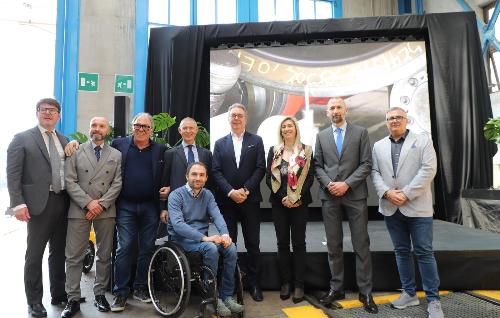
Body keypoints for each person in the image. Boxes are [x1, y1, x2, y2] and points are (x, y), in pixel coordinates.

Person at [371, 107, 443, 318]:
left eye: (398, 117)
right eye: (390, 118)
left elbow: (429, 169)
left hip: (417, 206)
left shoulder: (422, 140)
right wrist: (385, 192)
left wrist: (406, 194)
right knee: (401, 251)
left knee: (424, 252)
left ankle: (433, 300)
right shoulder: (378, 145)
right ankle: (409, 294)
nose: (394, 121)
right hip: (391, 207)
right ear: (386, 122)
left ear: (407, 120)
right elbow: (374, 172)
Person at [314, 97, 378, 314]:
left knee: (361, 244)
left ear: (345, 110)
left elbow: (366, 163)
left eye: (338, 107)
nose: (335, 110)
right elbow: (317, 165)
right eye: (331, 107)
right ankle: (336, 288)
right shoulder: (321, 136)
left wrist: (347, 184)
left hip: (355, 195)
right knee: (334, 245)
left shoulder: (360, 133)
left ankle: (366, 292)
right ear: (327, 112)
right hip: (329, 195)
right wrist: (330, 184)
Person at [7, 98, 69, 318]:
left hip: (63, 201)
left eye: (53, 111)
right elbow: (13, 174)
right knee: (34, 254)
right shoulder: (22, 139)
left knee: (59, 252)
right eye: (44, 110)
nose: (48, 113)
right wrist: (17, 203)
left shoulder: (64, 140)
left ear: (59, 115)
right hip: (37, 205)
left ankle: (59, 293)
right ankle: (34, 301)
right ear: (37, 113)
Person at [61, 117, 122, 317]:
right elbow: (70, 181)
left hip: (105, 209)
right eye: (93, 125)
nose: (97, 128)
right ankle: (73, 299)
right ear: (89, 128)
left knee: (104, 255)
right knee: (74, 256)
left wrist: (101, 204)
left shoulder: (116, 154)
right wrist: (89, 203)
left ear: (107, 130)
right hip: (80, 208)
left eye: (101, 126)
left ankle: (99, 295)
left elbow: (117, 183)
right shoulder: (75, 150)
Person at [168, 162, 243, 316]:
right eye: (194, 174)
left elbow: (217, 216)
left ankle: (226, 296)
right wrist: (205, 238)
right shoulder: (176, 195)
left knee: (231, 247)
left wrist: (225, 235)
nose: (198, 178)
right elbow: (178, 225)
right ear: (187, 176)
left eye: (202, 175)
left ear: (206, 178)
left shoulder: (207, 195)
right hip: (183, 240)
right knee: (211, 248)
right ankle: (212, 297)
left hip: (203, 239)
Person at [110, 113, 166, 311]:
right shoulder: (118, 145)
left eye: (145, 126)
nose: (141, 129)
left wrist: (167, 189)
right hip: (125, 205)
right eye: (137, 125)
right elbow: (96, 149)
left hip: (150, 206)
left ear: (152, 130)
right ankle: (120, 292)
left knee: (147, 248)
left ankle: (140, 288)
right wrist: (74, 145)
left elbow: (167, 175)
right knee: (124, 248)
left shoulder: (160, 149)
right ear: (131, 126)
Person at [212, 103, 266, 301]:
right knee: (229, 244)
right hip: (227, 203)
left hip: (250, 200)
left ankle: (254, 285)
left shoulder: (257, 141)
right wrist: (230, 192)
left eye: (239, 116)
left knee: (253, 244)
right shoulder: (219, 143)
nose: (236, 118)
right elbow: (216, 171)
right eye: (233, 115)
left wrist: (244, 190)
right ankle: (230, 285)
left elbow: (260, 168)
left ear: (246, 118)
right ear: (228, 118)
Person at [265, 117, 314, 304]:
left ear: (295, 128)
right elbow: (269, 178)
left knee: (299, 243)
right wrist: (282, 198)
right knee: (282, 244)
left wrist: (296, 197)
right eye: (284, 126)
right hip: (280, 204)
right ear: (281, 130)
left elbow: (309, 178)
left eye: (290, 126)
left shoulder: (306, 150)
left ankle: (299, 284)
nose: (287, 129)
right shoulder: (274, 151)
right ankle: (285, 283)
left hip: (300, 204)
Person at [159, 117, 213, 224]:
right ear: (180, 130)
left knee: (200, 238)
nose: (188, 131)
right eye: (185, 128)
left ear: (197, 130)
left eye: (191, 128)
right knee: (176, 239)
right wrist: (163, 208)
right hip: (177, 207)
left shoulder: (206, 154)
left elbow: (210, 182)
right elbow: (164, 183)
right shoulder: (170, 154)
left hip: (201, 206)